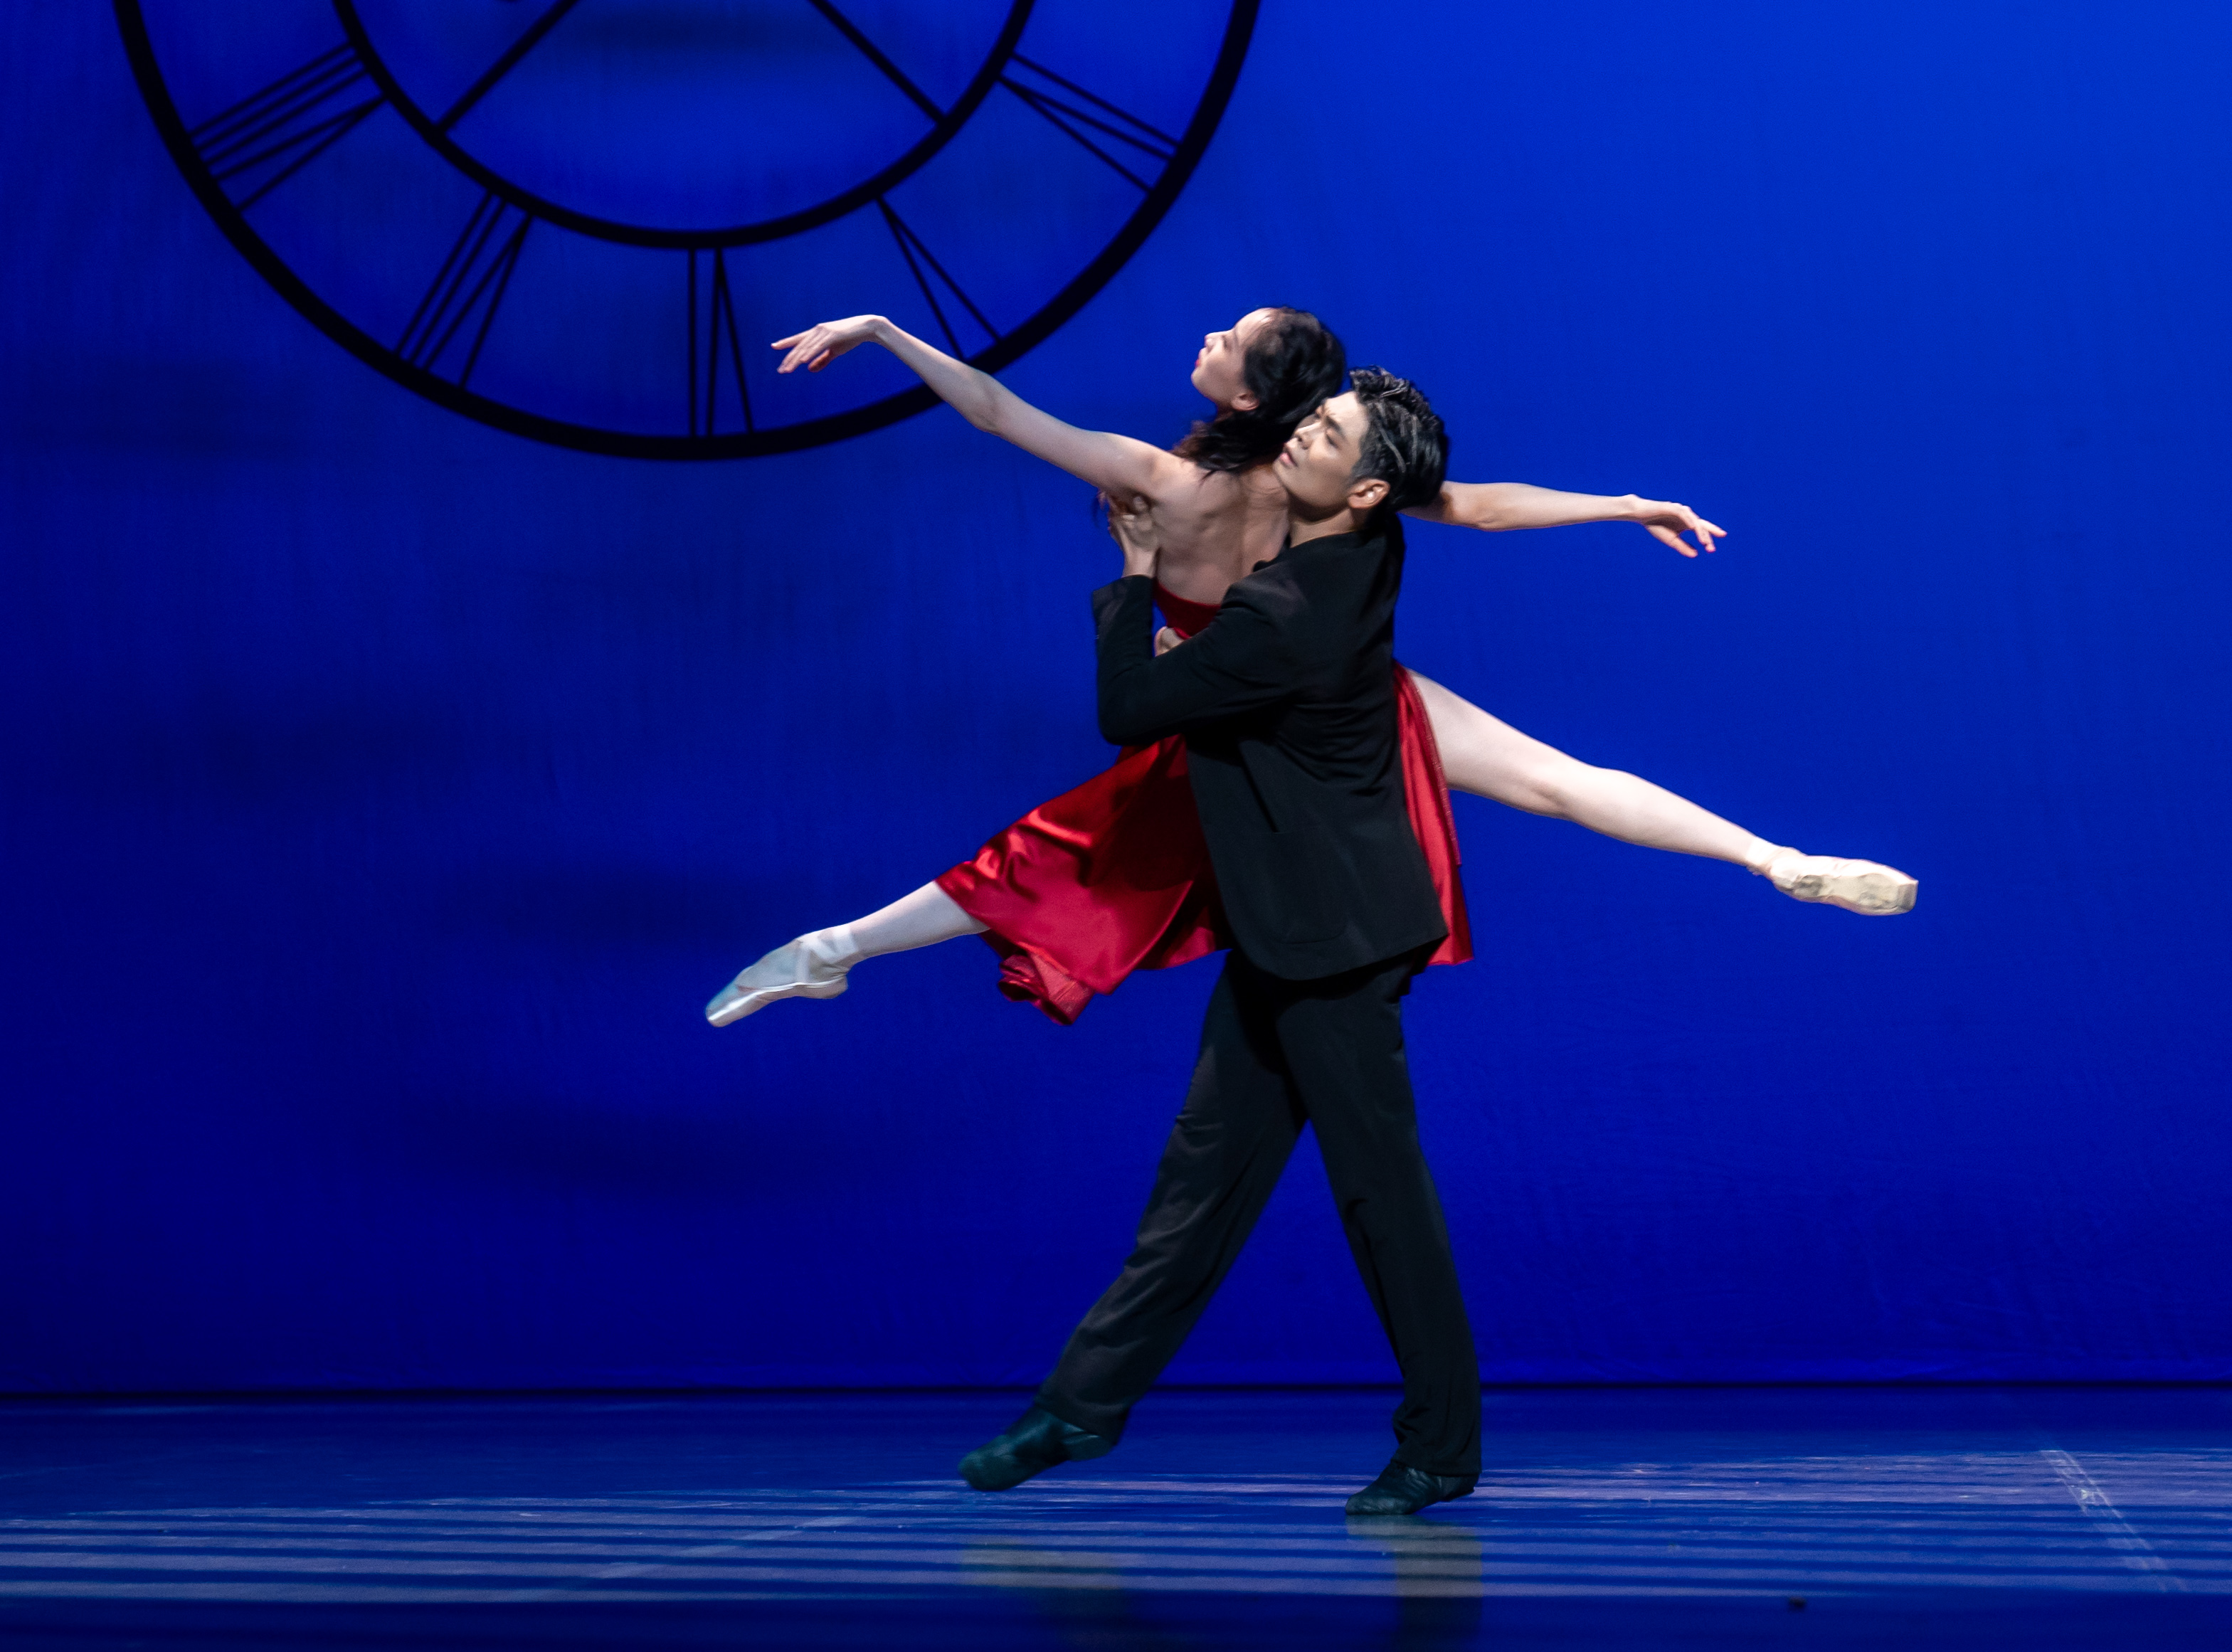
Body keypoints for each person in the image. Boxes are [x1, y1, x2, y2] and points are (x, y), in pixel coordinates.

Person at [706, 309, 1915, 1027]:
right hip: (1341, 696)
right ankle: (1770, 855)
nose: (1209, 337)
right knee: (1554, 777)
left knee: (1057, 854)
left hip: (1237, 706)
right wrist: (1625, 502)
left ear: (1248, 390)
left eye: (1228, 339)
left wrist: (884, 332)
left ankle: (834, 948)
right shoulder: (1325, 479)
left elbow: (993, 410)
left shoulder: (1163, 480)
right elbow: (1484, 504)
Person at [958, 371, 1480, 1515]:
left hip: (1336, 942)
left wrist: (1134, 578)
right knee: (1199, 1181)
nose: (1301, 436)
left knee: (1381, 1199)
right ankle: (1080, 1404)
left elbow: (1126, 714)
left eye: (1327, 434)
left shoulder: (1284, 611)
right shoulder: (1370, 551)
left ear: (1366, 489)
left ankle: (1441, 1448)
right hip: (1292, 929)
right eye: (1311, 417)